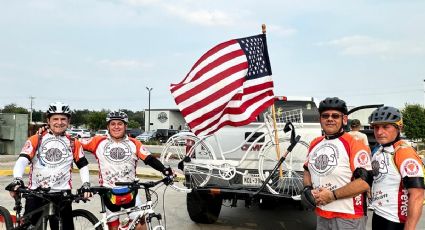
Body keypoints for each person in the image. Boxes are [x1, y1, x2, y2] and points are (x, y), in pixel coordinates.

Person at [81, 111, 174, 230]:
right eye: (112, 124)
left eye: (120, 123)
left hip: (131, 192)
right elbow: (75, 144)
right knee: (113, 227)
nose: (116, 127)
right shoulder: (98, 141)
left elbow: (149, 159)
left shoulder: (134, 143)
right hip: (109, 192)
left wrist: (165, 170)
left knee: (141, 225)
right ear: (108, 127)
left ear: (125, 126)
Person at [5, 102, 91, 230]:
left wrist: (86, 184)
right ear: (48, 121)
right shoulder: (36, 139)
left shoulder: (73, 143)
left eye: (63, 119)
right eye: (55, 119)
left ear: (68, 121)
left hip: (62, 196)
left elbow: (83, 166)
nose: (59, 122)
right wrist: (17, 178)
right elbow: (22, 160)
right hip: (36, 194)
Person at [302, 97, 372, 230]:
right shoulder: (314, 143)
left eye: (335, 116)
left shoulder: (354, 144)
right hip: (322, 214)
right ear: (320, 119)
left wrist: (332, 195)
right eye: (325, 116)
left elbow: (364, 182)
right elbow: (307, 170)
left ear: (344, 120)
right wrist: (307, 188)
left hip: (348, 217)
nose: (330, 119)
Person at [368, 106, 424, 230]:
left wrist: (410, 227)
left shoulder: (404, 152)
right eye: (376, 127)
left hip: (394, 220)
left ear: (399, 128)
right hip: (378, 214)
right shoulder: (379, 150)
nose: (379, 132)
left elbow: (418, 194)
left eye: (386, 127)